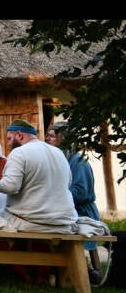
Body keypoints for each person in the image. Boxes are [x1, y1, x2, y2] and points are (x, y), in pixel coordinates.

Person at [0, 119, 78, 284]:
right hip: (63, 220)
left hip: (33, 220)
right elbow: (68, 182)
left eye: (9, 139)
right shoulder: (58, 152)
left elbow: (10, 186)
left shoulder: (20, 152)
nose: (8, 144)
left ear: (19, 135)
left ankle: (24, 272)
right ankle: (41, 273)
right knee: (39, 233)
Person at [47, 121, 103, 284]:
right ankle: (52, 268)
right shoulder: (59, 160)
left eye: (52, 136)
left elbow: (80, 193)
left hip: (81, 212)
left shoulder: (78, 161)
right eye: (47, 136)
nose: (47, 139)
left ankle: (85, 269)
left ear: (63, 138)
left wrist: (54, 197)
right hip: (63, 210)